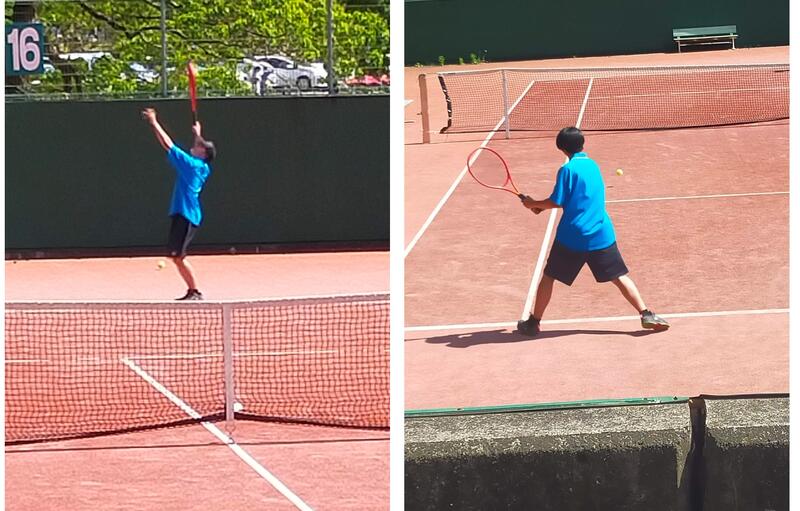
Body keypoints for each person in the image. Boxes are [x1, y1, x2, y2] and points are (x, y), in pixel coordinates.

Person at [517, 127, 669, 335]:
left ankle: (533, 323)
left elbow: (556, 201)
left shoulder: (567, 170)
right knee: (619, 276)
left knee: (549, 276)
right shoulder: (593, 165)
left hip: (572, 237)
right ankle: (646, 314)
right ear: (582, 144)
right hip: (601, 233)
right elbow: (575, 199)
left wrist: (533, 204)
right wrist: (539, 207)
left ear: (561, 148)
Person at [142, 107, 215, 300]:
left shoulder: (191, 165)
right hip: (187, 214)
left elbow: (168, 145)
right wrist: (198, 134)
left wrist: (154, 122)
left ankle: (195, 291)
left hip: (185, 215)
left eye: (199, 145)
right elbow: (200, 148)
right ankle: (193, 291)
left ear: (203, 153)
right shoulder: (203, 166)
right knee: (176, 257)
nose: (195, 145)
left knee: (178, 257)